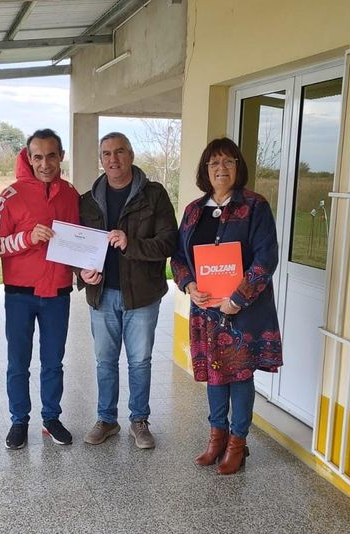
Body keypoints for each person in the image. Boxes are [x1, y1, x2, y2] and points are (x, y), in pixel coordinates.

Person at [171, 137, 283, 474]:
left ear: (238, 167)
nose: (221, 168)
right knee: (216, 376)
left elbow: (266, 257)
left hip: (242, 311)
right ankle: (216, 438)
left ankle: (238, 442)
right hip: (206, 311)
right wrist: (189, 285)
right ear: (206, 169)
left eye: (229, 162)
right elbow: (178, 257)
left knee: (240, 375)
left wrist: (238, 297)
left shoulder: (255, 206)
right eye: (214, 163)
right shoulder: (193, 211)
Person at [79, 132, 178, 449]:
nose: (113, 159)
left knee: (139, 362)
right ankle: (107, 420)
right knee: (105, 362)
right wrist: (81, 272)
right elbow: (75, 247)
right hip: (102, 294)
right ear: (101, 159)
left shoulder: (154, 195)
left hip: (143, 296)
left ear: (132, 155)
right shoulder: (87, 200)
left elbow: (169, 242)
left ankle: (139, 421)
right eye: (106, 153)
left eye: (119, 152)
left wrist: (130, 243)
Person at [0, 128, 79, 449]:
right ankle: (19, 420)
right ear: (29, 158)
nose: (45, 163)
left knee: (53, 361)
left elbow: (76, 241)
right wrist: (28, 238)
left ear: (61, 157)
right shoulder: (10, 195)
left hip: (58, 293)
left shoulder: (70, 193)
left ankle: (51, 417)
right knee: (18, 362)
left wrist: (86, 267)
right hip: (20, 294)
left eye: (51, 156)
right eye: (38, 157)